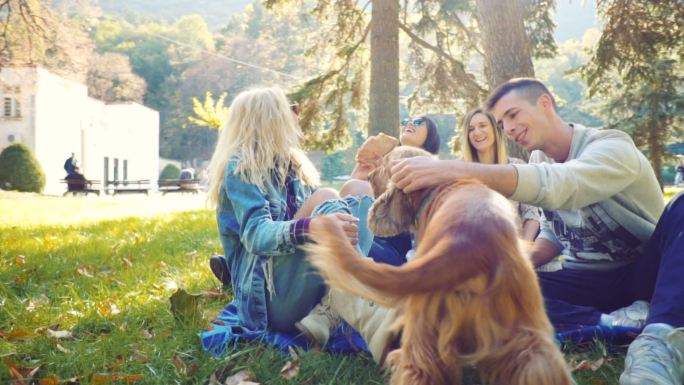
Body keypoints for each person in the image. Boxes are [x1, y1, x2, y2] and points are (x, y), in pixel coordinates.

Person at [389, 78, 684, 385]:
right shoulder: (538, 158)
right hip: (587, 281)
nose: (509, 127)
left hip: (647, 274)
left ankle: (659, 342)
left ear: (545, 104)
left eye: (513, 115)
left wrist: (453, 171)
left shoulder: (612, 146)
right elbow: (553, 233)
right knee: (484, 289)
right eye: (502, 123)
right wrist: (511, 268)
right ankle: (613, 322)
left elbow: (561, 185)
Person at [205, 86, 383, 349]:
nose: (297, 115)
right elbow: (256, 235)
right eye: (291, 109)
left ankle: (338, 304)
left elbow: (327, 213)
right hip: (269, 302)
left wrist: (358, 176)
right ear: (269, 117)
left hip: (305, 293)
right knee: (325, 195)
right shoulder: (240, 167)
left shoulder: (294, 167)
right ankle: (360, 296)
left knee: (358, 189)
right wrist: (312, 227)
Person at [343, 116, 441, 266]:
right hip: (362, 240)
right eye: (405, 121)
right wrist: (362, 173)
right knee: (357, 187)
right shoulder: (380, 163)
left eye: (419, 123)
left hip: (396, 253)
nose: (409, 123)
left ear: (431, 135)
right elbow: (345, 201)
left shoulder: (435, 171)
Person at [459, 108, 541, 242]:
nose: (477, 132)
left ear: (496, 129)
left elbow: (532, 214)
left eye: (482, 126)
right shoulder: (460, 171)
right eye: (471, 129)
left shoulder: (517, 167)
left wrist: (524, 250)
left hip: (513, 248)